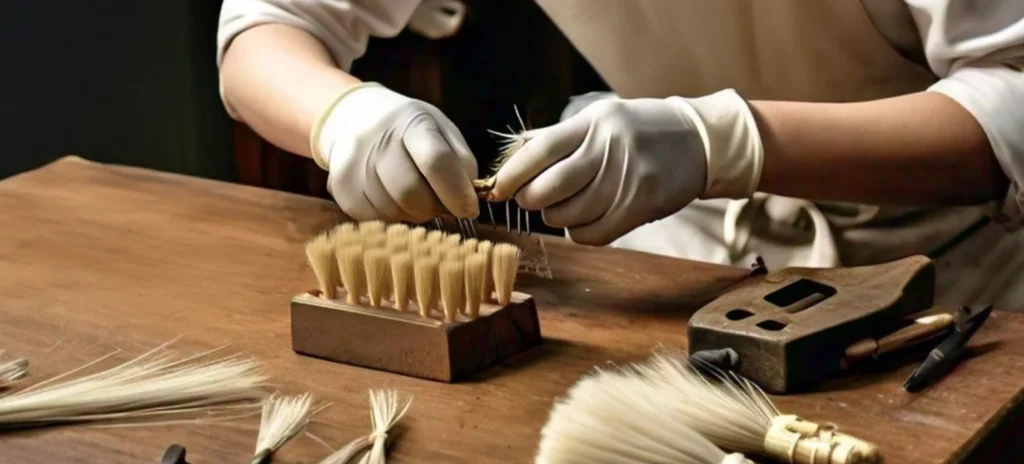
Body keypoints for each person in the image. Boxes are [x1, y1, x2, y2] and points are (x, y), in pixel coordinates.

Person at [216, 0, 1024, 312]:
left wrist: (727, 141)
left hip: (950, 277)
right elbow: (265, 27)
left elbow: (1012, 95)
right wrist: (344, 116)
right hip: (677, 262)